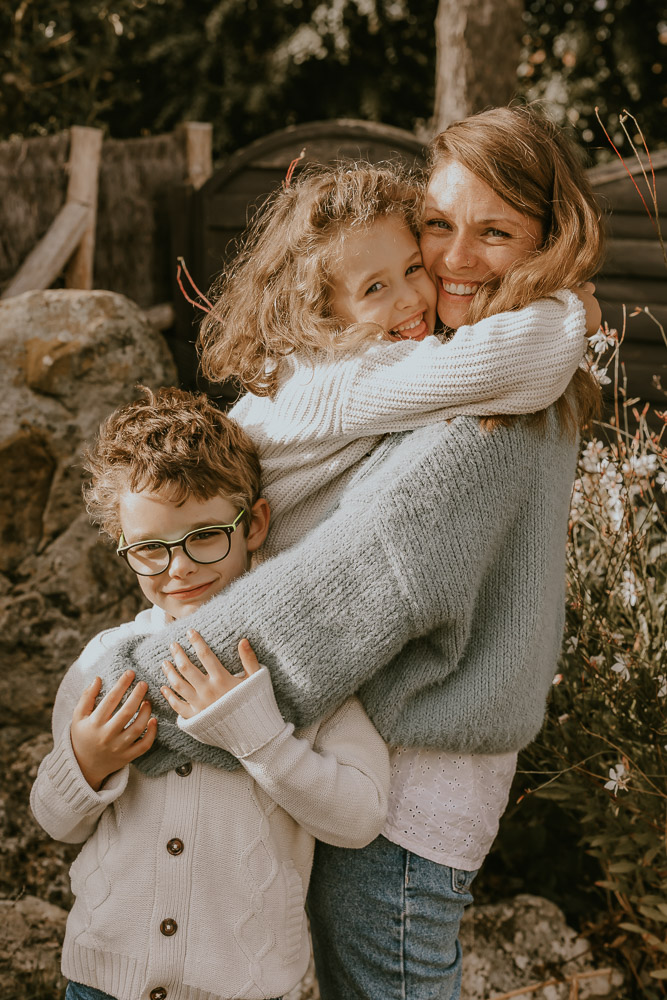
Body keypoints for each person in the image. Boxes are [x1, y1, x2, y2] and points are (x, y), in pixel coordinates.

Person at [89, 105, 605, 1000]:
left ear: (548, 240)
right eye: (436, 226)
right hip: (371, 769)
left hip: (403, 793)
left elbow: (354, 588)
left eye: (494, 233)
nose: (447, 261)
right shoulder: (460, 377)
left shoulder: (486, 418)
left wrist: (144, 688)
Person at [30, 387, 390, 1000]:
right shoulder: (102, 664)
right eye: (150, 548)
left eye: (204, 536)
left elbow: (360, 818)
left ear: (253, 524)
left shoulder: (303, 660)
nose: (178, 568)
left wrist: (258, 737)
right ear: (124, 547)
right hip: (101, 984)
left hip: (245, 988)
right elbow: (54, 820)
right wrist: (87, 762)